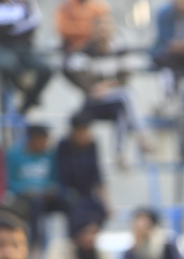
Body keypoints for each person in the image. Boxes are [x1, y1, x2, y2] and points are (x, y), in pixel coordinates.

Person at [63, 14, 150, 166]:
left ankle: (119, 152)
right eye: (100, 28)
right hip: (93, 101)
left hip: (114, 99)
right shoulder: (85, 52)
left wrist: (107, 86)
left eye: (106, 27)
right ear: (93, 31)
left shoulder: (120, 50)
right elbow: (70, 70)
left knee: (124, 106)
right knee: (127, 96)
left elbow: (125, 76)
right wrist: (91, 88)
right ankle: (142, 135)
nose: (103, 32)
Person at [3, 123, 64, 259]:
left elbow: (55, 179)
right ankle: (35, 248)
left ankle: (74, 246)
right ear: (32, 139)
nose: (45, 144)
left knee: (72, 202)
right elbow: (9, 181)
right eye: (42, 140)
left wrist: (48, 188)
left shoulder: (50, 155)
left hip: (46, 196)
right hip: (22, 198)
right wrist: (26, 190)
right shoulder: (13, 155)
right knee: (35, 206)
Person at [0, 0, 53, 114]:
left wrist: (12, 29)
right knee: (8, 63)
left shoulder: (24, 5)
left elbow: (33, 22)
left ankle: (28, 102)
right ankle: (23, 85)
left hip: (22, 47)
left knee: (46, 69)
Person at [55, 113, 109, 219]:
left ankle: (90, 229)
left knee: (100, 210)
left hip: (86, 193)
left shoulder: (92, 145)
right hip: (67, 192)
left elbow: (96, 174)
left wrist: (105, 200)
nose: (86, 134)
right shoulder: (64, 146)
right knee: (75, 206)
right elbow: (62, 175)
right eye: (82, 131)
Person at [151, 0, 184, 96]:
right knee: (167, 59)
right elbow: (165, 39)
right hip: (168, 53)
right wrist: (183, 45)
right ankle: (170, 90)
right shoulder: (164, 14)